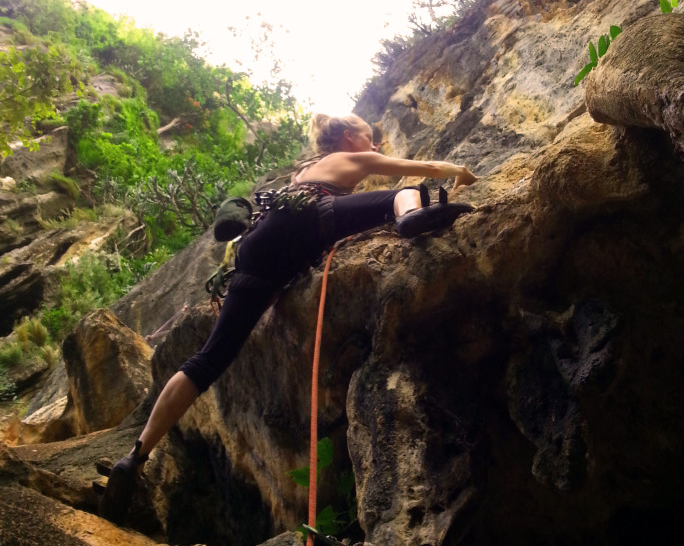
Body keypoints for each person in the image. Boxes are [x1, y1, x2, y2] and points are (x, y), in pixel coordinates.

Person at [101, 113, 478, 524]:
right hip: (309, 221)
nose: (374, 147)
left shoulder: (300, 172)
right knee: (406, 193)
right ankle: (409, 220)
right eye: (369, 139)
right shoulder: (353, 159)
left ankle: (135, 456)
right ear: (350, 138)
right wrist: (459, 171)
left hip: (256, 254)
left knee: (207, 361)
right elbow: (420, 169)